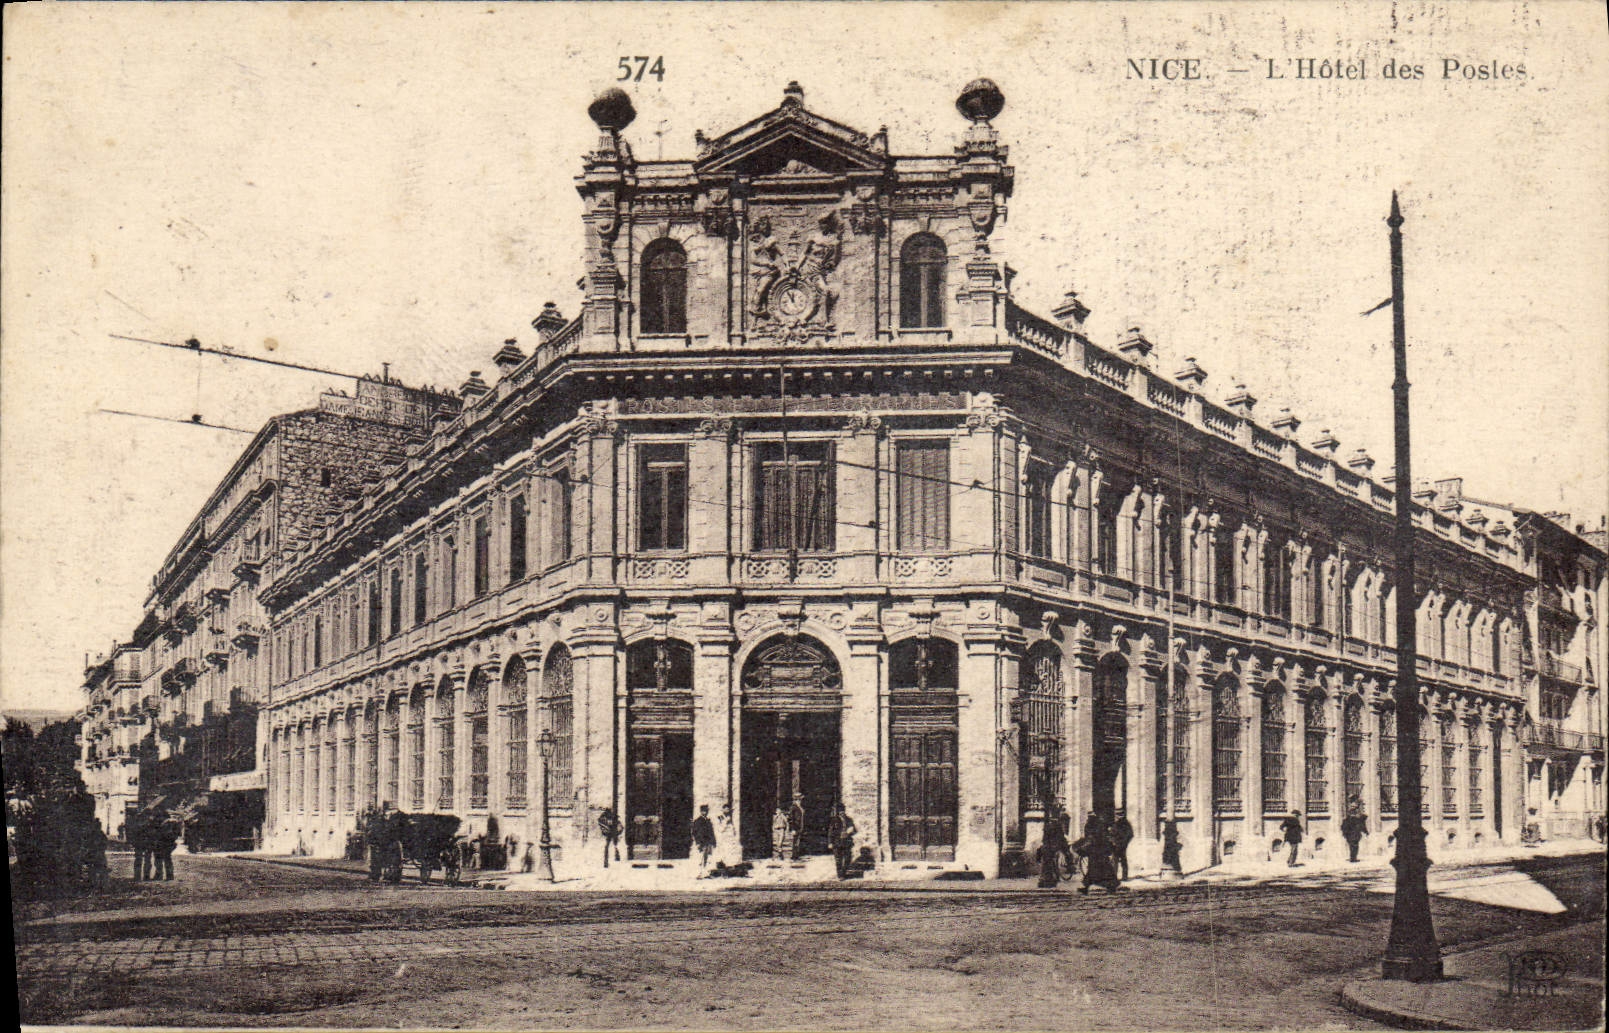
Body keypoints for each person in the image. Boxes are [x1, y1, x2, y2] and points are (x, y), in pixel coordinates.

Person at [1079, 811, 1121, 894]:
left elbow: (1090, 839)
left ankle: (1110, 886)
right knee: (1103, 869)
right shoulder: (1100, 824)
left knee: (1097, 869)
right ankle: (1110, 886)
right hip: (1101, 851)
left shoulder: (1090, 826)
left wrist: (1084, 847)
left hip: (1096, 851)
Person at [1039, 802, 1072, 888]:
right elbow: (1061, 837)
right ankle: (1050, 880)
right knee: (1051, 863)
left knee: (1046, 864)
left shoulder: (1048, 825)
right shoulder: (1057, 825)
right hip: (1053, 847)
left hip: (1047, 847)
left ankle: (1044, 880)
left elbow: (1044, 838)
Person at [828, 802, 857, 879]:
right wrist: (830, 842)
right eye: (840, 811)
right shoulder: (834, 821)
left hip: (847, 842)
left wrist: (851, 830)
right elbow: (830, 832)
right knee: (838, 859)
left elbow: (855, 830)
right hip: (837, 842)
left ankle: (844, 872)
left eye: (843, 811)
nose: (842, 813)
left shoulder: (849, 819)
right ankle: (840, 875)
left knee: (847, 858)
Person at [151, 810, 178, 881]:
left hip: (162, 843)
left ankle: (159, 875)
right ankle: (169, 876)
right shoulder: (173, 823)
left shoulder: (164, 824)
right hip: (169, 844)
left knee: (159, 859)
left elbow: (158, 833)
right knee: (167, 859)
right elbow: (176, 835)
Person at [1109, 810, 1134, 882]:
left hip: (1119, 845)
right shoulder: (1123, 823)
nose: (1116, 817)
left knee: (1116, 861)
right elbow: (1130, 835)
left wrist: (1122, 843)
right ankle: (1124, 877)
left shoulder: (1123, 824)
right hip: (1120, 845)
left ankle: (1117, 877)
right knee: (1121, 861)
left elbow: (1130, 835)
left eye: (1117, 815)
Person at [691, 804, 717, 872]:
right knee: (701, 858)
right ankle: (699, 872)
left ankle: (705, 872)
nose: (705, 812)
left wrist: (713, 841)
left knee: (707, 857)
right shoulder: (697, 821)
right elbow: (694, 833)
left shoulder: (708, 821)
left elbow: (711, 832)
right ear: (701, 812)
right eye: (704, 811)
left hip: (708, 842)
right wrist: (698, 842)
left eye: (706, 811)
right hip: (702, 842)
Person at [714, 803, 741, 867]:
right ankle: (724, 865)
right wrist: (725, 821)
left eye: (728, 809)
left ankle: (731, 865)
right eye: (725, 809)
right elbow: (720, 829)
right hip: (724, 839)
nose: (727, 811)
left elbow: (732, 828)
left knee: (731, 852)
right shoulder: (720, 818)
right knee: (724, 852)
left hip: (730, 839)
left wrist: (733, 833)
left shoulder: (730, 817)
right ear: (723, 810)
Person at [129, 809, 151, 881]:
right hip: (146, 843)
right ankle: (146, 876)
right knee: (147, 860)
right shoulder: (148, 823)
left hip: (139, 843)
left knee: (139, 859)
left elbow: (133, 832)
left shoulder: (137, 821)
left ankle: (137, 876)